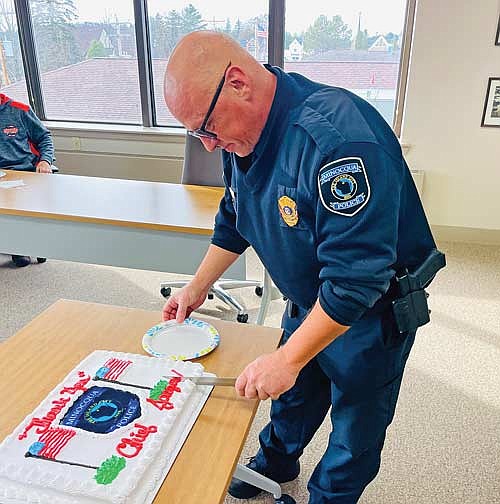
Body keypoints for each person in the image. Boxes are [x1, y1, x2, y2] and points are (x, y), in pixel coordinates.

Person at [162, 31, 444, 504]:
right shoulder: (240, 139)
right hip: (309, 295)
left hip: (370, 313)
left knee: (355, 425)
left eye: (206, 128)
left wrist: (288, 357)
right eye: (197, 134)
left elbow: (357, 279)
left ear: (237, 83)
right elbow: (234, 218)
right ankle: (273, 462)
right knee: (292, 395)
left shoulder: (338, 141)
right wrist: (196, 287)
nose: (207, 146)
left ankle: (329, 498)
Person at [0, 91, 55, 267]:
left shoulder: (19, 110)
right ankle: (17, 245)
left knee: (19, 202)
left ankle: (27, 245)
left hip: (24, 170)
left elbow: (44, 137)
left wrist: (45, 161)